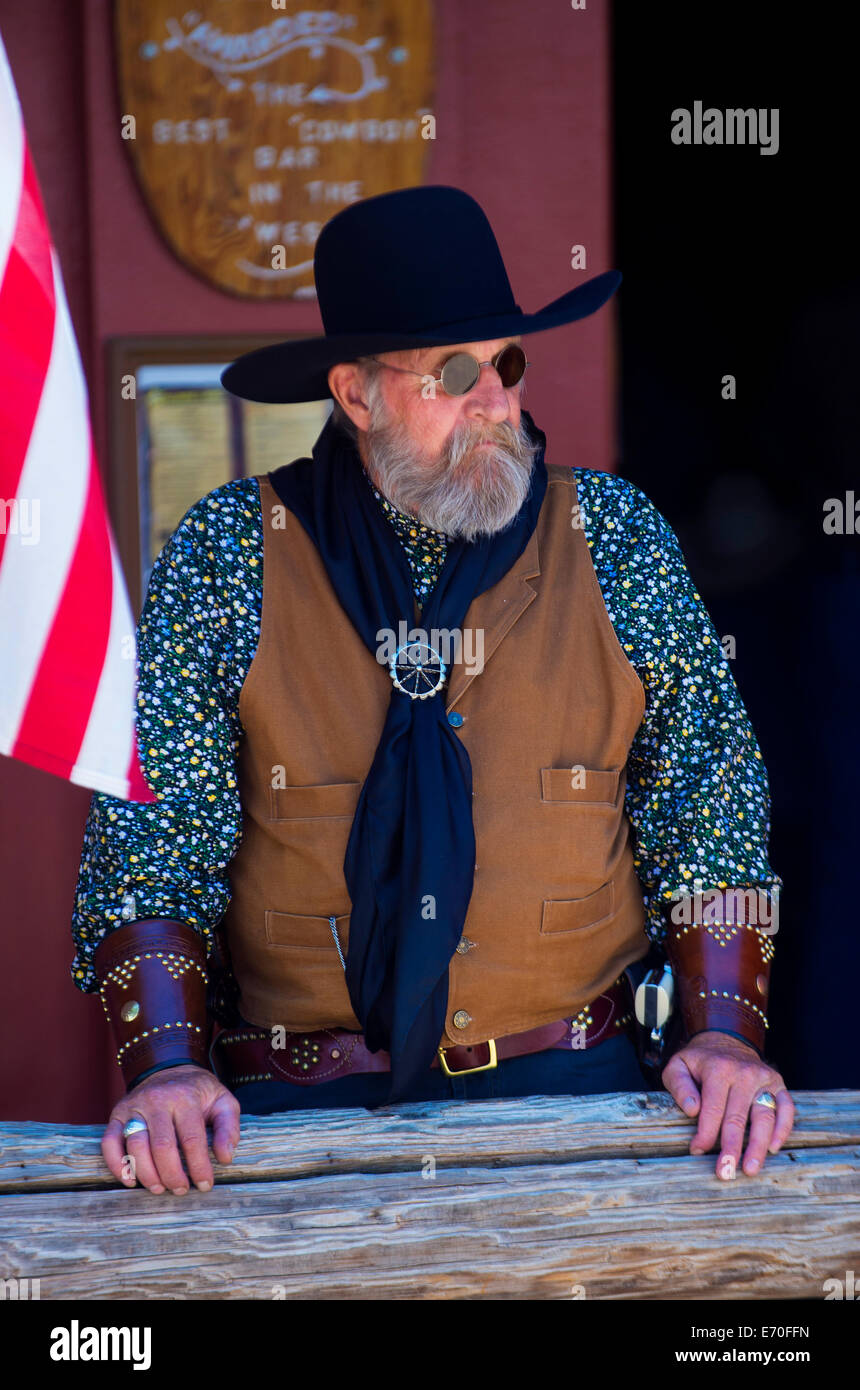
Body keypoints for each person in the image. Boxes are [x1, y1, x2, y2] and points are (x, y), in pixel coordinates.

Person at [71, 185, 792, 1198]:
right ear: (357, 396)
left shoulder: (616, 536)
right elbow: (151, 846)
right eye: (455, 372)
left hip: (578, 1105)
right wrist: (170, 1065)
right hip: (290, 1126)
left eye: (507, 363)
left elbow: (708, 807)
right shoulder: (231, 551)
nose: (496, 400)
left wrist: (722, 1037)